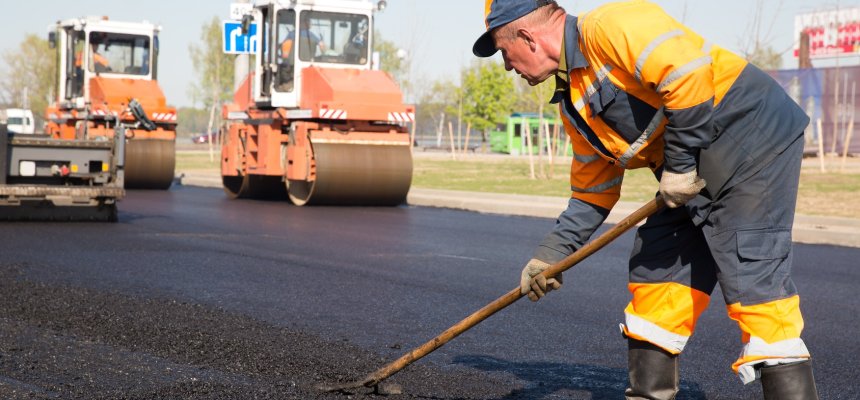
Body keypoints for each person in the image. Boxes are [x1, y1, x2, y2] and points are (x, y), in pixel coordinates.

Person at [472, 1, 818, 398]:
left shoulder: (610, 26)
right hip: (687, 174)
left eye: (502, 51)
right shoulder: (575, 102)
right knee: (657, 272)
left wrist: (682, 163)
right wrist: (550, 255)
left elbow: (687, 74)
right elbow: (592, 192)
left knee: (755, 283)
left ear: (527, 37)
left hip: (751, 141)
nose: (506, 66)